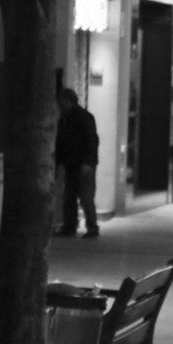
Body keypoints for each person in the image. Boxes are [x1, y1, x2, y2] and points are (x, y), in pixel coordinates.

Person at [54, 87, 100, 237]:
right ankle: (70, 225)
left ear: (68, 102)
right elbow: (61, 143)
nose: (58, 105)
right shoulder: (65, 119)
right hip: (72, 164)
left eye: (60, 102)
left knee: (86, 197)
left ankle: (91, 227)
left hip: (83, 165)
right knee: (69, 197)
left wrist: (88, 162)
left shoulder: (83, 118)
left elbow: (91, 141)